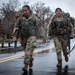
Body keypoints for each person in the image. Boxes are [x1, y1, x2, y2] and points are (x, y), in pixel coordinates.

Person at [12, 5, 41, 71]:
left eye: (25, 10)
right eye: (23, 11)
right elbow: (16, 27)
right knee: (26, 52)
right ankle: (30, 59)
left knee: (28, 51)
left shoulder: (34, 17)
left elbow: (39, 26)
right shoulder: (20, 18)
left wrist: (44, 36)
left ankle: (26, 66)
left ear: (29, 10)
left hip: (32, 36)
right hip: (23, 37)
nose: (24, 12)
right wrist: (14, 36)